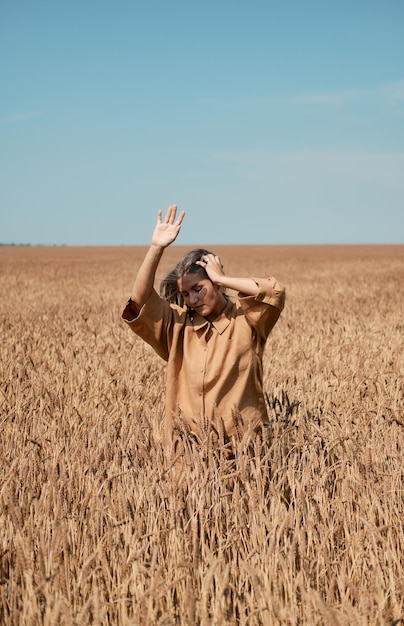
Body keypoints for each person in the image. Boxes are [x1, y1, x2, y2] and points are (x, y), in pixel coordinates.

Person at [122, 205, 285, 454]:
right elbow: (139, 301)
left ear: (216, 283)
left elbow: (275, 292)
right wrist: (156, 248)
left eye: (199, 288)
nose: (193, 299)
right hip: (189, 455)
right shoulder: (176, 326)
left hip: (245, 453)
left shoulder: (248, 321)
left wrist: (220, 279)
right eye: (186, 294)